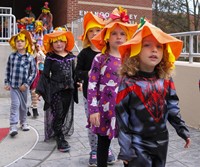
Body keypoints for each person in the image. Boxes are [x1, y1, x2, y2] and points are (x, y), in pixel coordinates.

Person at [115, 18, 191, 167]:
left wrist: (182, 129)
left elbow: (172, 107)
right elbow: (122, 117)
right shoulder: (128, 82)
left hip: (162, 140)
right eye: (147, 45)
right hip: (138, 142)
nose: (154, 50)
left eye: (159, 46)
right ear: (135, 50)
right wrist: (125, 147)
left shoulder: (166, 80)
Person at [87, 7, 137, 167]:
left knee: (128, 145)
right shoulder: (100, 58)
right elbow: (92, 85)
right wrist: (93, 110)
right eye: (114, 33)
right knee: (103, 143)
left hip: (126, 111)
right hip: (105, 109)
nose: (118, 37)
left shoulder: (131, 59)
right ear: (107, 37)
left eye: (122, 33)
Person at [36, 27, 78, 152]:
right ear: (51, 44)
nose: (59, 44)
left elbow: (74, 73)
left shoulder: (71, 56)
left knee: (64, 113)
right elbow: (45, 75)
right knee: (58, 113)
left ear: (66, 42)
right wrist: (39, 91)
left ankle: (57, 130)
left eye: (61, 41)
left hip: (69, 90)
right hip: (55, 91)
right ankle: (60, 138)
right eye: (56, 42)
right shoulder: (50, 57)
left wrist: (78, 83)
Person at [75, 12, 106, 166]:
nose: (95, 34)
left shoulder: (107, 52)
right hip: (90, 95)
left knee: (106, 121)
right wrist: (87, 74)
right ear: (87, 35)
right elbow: (76, 73)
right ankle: (94, 149)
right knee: (94, 122)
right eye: (91, 31)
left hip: (107, 95)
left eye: (98, 30)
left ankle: (105, 148)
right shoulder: (84, 54)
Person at [4, 29, 37, 137]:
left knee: (23, 106)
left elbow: (33, 72)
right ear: (15, 43)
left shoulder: (30, 58)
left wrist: (27, 84)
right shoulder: (12, 56)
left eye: (22, 41)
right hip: (14, 85)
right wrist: (7, 82)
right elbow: (8, 69)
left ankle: (23, 122)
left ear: (26, 43)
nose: (19, 43)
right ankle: (13, 125)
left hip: (24, 87)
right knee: (15, 105)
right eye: (17, 41)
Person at [28, 41, 46, 118]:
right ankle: (30, 109)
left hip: (37, 75)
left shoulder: (38, 54)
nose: (32, 46)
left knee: (35, 94)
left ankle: (32, 108)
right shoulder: (26, 54)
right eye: (30, 45)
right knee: (30, 94)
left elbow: (44, 59)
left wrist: (40, 50)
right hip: (28, 76)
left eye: (33, 45)